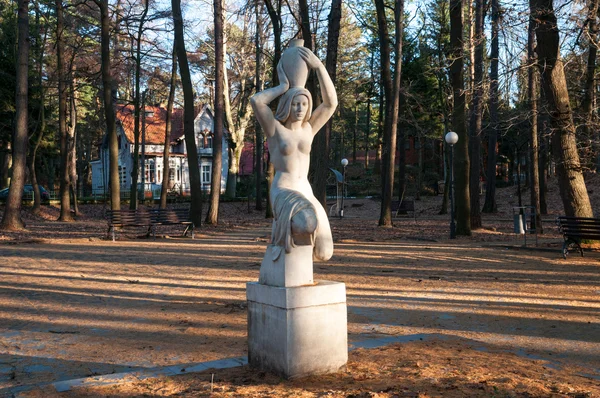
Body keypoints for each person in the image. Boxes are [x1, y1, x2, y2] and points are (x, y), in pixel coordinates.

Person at [251, 47, 338, 261]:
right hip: (283, 190)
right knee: (305, 223)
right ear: (288, 105)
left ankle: (285, 241)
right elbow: (257, 101)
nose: (300, 108)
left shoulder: (309, 129)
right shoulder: (275, 130)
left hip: (306, 192)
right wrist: (283, 86)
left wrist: (318, 67)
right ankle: (283, 241)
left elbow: (330, 104)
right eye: (296, 103)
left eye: (304, 104)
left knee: (324, 253)